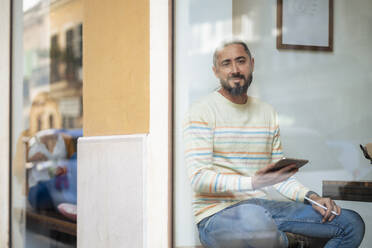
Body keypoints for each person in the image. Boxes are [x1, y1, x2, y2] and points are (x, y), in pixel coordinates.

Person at [183, 39, 365, 248]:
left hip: (263, 210)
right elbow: (199, 178)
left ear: (251, 63)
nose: (235, 69)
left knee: (351, 223)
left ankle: (279, 239)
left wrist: (312, 197)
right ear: (216, 71)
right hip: (216, 217)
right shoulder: (201, 111)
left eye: (240, 61)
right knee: (254, 220)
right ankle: (290, 243)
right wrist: (253, 183)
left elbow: (278, 178)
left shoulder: (266, 112)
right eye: (226, 64)